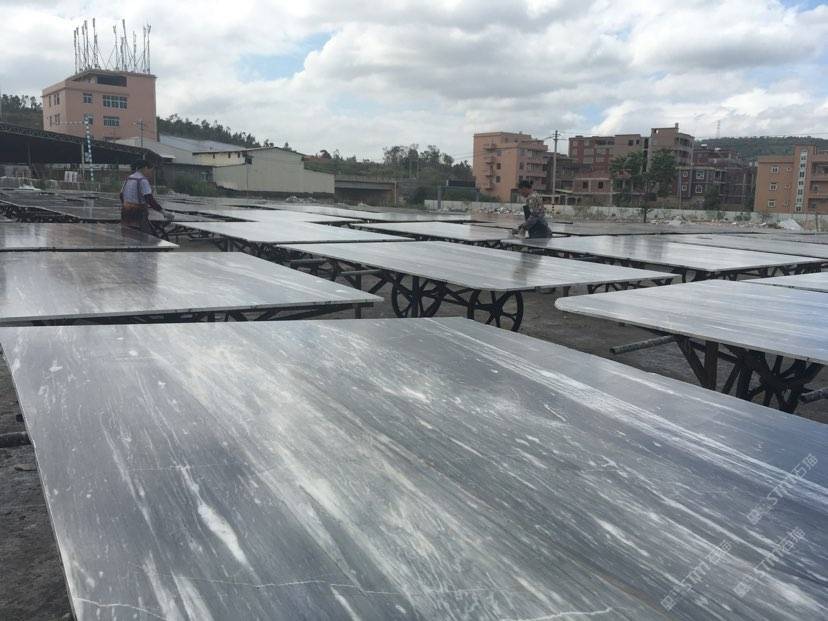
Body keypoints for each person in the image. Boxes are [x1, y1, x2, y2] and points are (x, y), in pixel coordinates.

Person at [120, 159, 171, 233]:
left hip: (126, 213)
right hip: (138, 214)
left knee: (128, 234)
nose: (151, 173)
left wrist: (127, 205)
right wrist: (163, 212)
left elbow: (121, 195)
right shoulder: (143, 180)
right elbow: (149, 199)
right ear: (145, 168)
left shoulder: (128, 178)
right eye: (151, 170)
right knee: (143, 236)